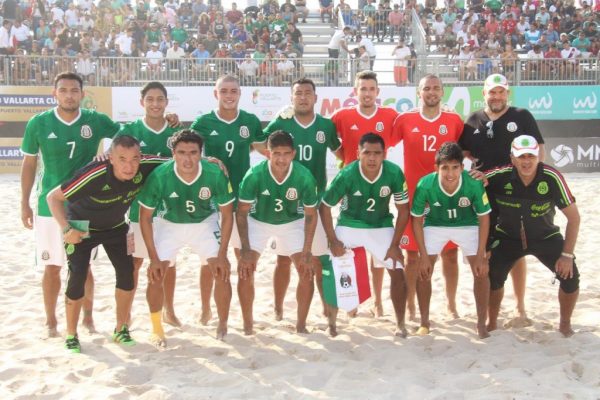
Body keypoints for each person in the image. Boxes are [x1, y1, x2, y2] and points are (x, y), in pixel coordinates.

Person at [20, 72, 121, 338]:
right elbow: (29, 163)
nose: (69, 95)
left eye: (74, 90)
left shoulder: (95, 120)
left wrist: (109, 153)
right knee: (52, 267)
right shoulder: (38, 123)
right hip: (47, 208)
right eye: (63, 90)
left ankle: (87, 318)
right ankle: (51, 321)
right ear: (54, 94)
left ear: (82, 94)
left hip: (83, 206)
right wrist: (24, 203)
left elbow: (125, 136)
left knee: (83, 266)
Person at [46, 135, 166, 353]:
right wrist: (66, 229)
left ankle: (121, 329)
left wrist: (211, 162)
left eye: (134, 159)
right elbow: (52, 198)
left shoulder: (147, 164)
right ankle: (72, 335)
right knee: (77, 277)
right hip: (82, 226)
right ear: (110, 158)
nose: (129, 166)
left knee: (127, 273)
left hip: (116, 226)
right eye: (122, 159)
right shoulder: (94, 174)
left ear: (141, 157)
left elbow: (179, 160)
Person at [459, 73, 545, 327]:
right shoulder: (473, 120)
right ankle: (487, 303)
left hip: (514, 192)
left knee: (517, 248)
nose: (496, 96)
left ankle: (520, 306)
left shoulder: (521, 116)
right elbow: (463, 152)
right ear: (483, 93)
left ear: (508, 93)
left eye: (501, 92)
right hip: (483, 192)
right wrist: (470, 166)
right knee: (484, 248)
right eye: (491, 92)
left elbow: (539, 147)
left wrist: (535, 178)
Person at [137, 130, 234, 347]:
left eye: (193, 152)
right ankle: (157, 328)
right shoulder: (160, 176)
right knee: (156, 273)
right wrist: (153, 258)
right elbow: (145, 218)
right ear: (173, 153)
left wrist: (223, 254)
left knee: (221, 270)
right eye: (181, 153)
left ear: (201, 153)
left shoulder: (215, 173)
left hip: (204, 223)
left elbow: (227, 215)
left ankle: (222, 323)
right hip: (169, 224)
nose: (187, 159)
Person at [190, 75, 267, 325]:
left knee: (243, 258)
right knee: (208, 261)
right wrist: (205, 160)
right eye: (224, 91)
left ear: (240, 93)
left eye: (233, 90)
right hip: (212, 201)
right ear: (216, 94)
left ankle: (247, 317)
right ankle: (205, 309)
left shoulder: (250, 121)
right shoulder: (203, 122)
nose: (229, 95)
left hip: (243, 200)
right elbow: (188, 153)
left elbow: (268, 150)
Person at [485, 135, 580, 337]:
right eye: (521, 156)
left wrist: (567, 255)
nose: (526, 161)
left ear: (539, 157)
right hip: (508, 237)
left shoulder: (551, 177)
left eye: (531, 156)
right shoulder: (498, 176)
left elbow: (574, 218)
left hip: (545, 236)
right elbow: (469, 181)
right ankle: (491, 322)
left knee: (570, 276)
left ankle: (565, 324)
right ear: (512, 158)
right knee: (492, 276)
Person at [263, 78, 342, 320]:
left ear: (316, 98)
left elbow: (341, 154)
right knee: (283, 259)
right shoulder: (282, 122)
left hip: (315, 201)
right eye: (298, 93)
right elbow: (260, 146)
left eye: (308, 93)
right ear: (292, 98)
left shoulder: (326, 126)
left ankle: (326, 306)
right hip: (286, 202)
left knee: (318, 259)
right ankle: (278, 308)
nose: (303, 97)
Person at [320, 133, 409, 337]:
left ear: (384, 155)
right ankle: (332, 324)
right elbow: (324, 207)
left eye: (377, 153)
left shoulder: (394, 173)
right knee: (332, 267)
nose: (372, 158)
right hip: (350, 224)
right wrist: (333, 240)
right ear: (357, 153)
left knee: (397, 269)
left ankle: (400, 324)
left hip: (381, 226)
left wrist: (395, 245)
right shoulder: (347, 174)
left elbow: (404, 210)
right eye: (367, 153)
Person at [391, 74, 465, 322]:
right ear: (418, 93)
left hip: (447, 197)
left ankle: (451, 304)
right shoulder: (405, 119)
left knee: (450, 255)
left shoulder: (454, 120)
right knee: (412, 256)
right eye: (426, 88)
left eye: (436, 88)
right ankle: (411, 305)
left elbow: (465, 153)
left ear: (442, 92)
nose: (431, 92)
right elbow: (380, 144)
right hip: (415, 198)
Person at [236, 130, 319, 335]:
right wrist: (245, 249)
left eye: (286, 153)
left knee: (307, 271)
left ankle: (301, 325)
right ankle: (248, 325)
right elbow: (242, 213)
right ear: (267, 154)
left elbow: (310, 215)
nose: (281, 159)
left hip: (292, 223)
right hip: (259, 221)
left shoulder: (304, 176)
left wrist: (307, 251)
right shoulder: (254, 175)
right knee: (245, 269)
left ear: (293, 154)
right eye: (276, 154)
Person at [331, 70, 398, 317]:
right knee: (353, 247)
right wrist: (346, 160)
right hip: (351, 187)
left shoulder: (390, 116)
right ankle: (354, 301)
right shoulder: (342, 115)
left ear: (377, 92)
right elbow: (330, 140)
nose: (367, 93)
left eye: (371, 89)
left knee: (378, 250)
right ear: (355, 91)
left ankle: (378, 301)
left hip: (379, 188)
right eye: (363, 89)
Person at [116, 82, 182, 326]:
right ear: (141, 102)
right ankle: (126, 315)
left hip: (170, 210)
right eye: (150, 99)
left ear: (166, 102)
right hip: (137, 209)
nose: (155, 104)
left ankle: (169, 310)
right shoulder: (130, 131)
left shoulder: (175, 131)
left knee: (169, 264)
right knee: (134, 262)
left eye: (160, 99)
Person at [411, 142, 491, 338]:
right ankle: (424, 322)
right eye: (445, 167)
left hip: (467, 224)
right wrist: (422, 255)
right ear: (436, 168)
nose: (450, 173)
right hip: (436, 225)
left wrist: (481, 254)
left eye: (455, 167)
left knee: (481, 271)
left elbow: (484, 218)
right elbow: (417, 219)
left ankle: (481, 323)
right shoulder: (425, 184)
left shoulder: (473, 183)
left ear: (462, 168)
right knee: (423, 271)